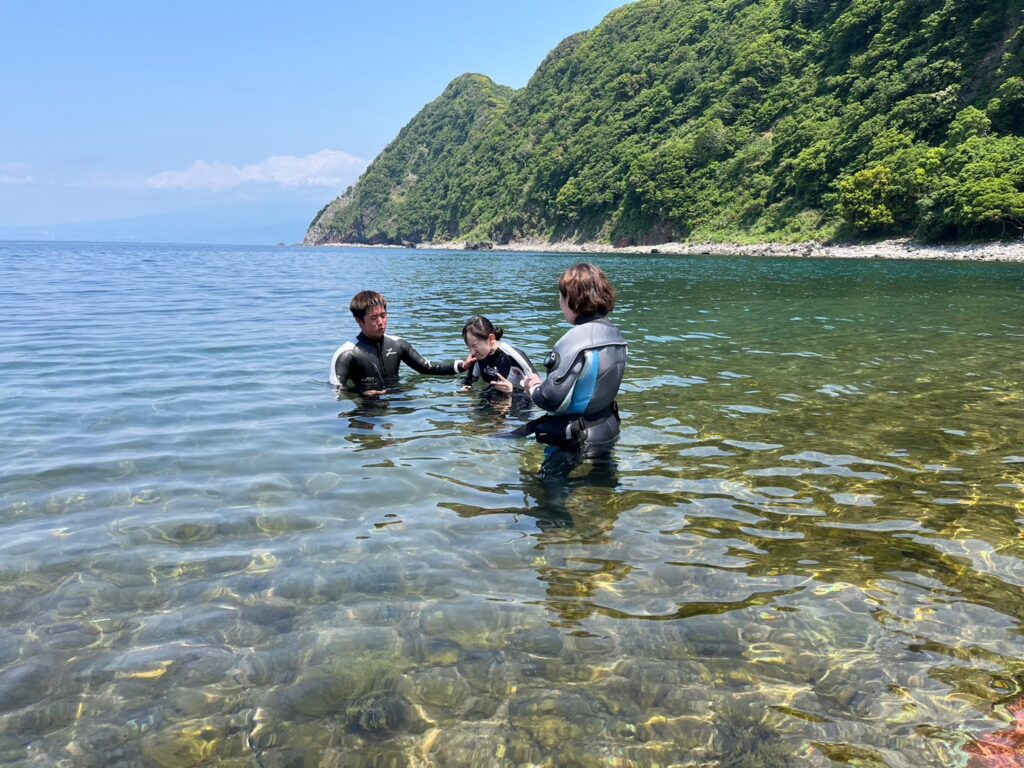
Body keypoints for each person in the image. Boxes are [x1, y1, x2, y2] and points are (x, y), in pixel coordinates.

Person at [521, 263, 627, 461]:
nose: (560, 302)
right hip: (607, 428)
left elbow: (551, 399)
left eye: (561, 296)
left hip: (574, 439)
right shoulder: (616, 335)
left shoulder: (575, 341)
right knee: (603, 480)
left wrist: (533, 387)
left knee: (545, 482)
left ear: (572, 299)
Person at [330, 290, 473, 395]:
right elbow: (335, 390)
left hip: (397, 397)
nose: (381, 322)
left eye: (383, 315)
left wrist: (462, 366)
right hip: (366, 405)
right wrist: (360, 392)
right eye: (374, 318)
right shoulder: (347, 353)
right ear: (359, 321)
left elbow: (427, 368)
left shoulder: (397, 344)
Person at [460, 315, 537, 395]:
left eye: (474, 346)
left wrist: (511, 391)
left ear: (491, 338)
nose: (472, 352)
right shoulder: (477, 356)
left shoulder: (514, 357)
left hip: (517, 398)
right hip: (491, 395)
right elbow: (469, 381)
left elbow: (539, 394)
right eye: (469, 347)